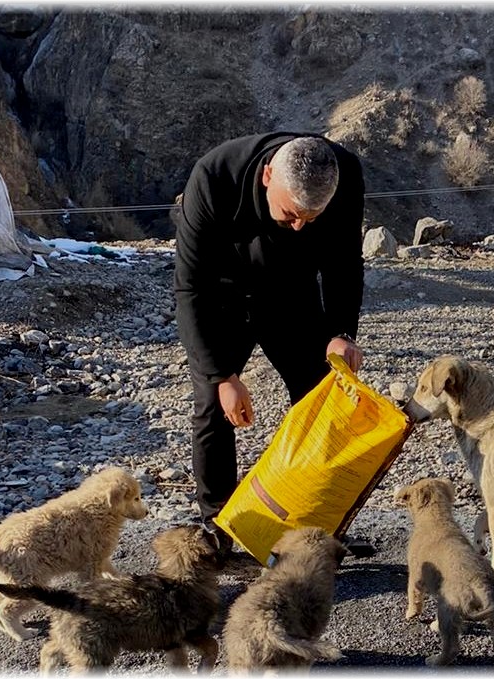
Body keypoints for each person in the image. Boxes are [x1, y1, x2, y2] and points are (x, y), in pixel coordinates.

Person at [174, 132, 368, 554]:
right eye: (290, 214)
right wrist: (222, 375)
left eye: (311, 218)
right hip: (223, 294)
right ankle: (220, 526)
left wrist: (341, 333)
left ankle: (317, 522)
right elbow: (190, 289)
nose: (300, 226)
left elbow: (344, 263)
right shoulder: (212, 178)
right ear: (266, 177)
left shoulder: (346, 174)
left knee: (321, 398)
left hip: (291, 294)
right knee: (212, 406)